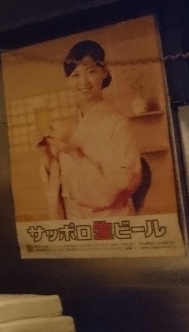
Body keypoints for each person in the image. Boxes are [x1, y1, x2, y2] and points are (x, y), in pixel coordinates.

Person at [38, 40, 142, 218]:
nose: (83, 81)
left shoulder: (117, 123)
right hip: (72, 219)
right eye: (75, 75)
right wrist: (47, 154)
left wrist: (75, 154)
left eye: (91, 72)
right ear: (68, 80)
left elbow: (123, 182)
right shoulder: (66, 125)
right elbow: (57, 183)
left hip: (110, 218)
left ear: (104, 72)